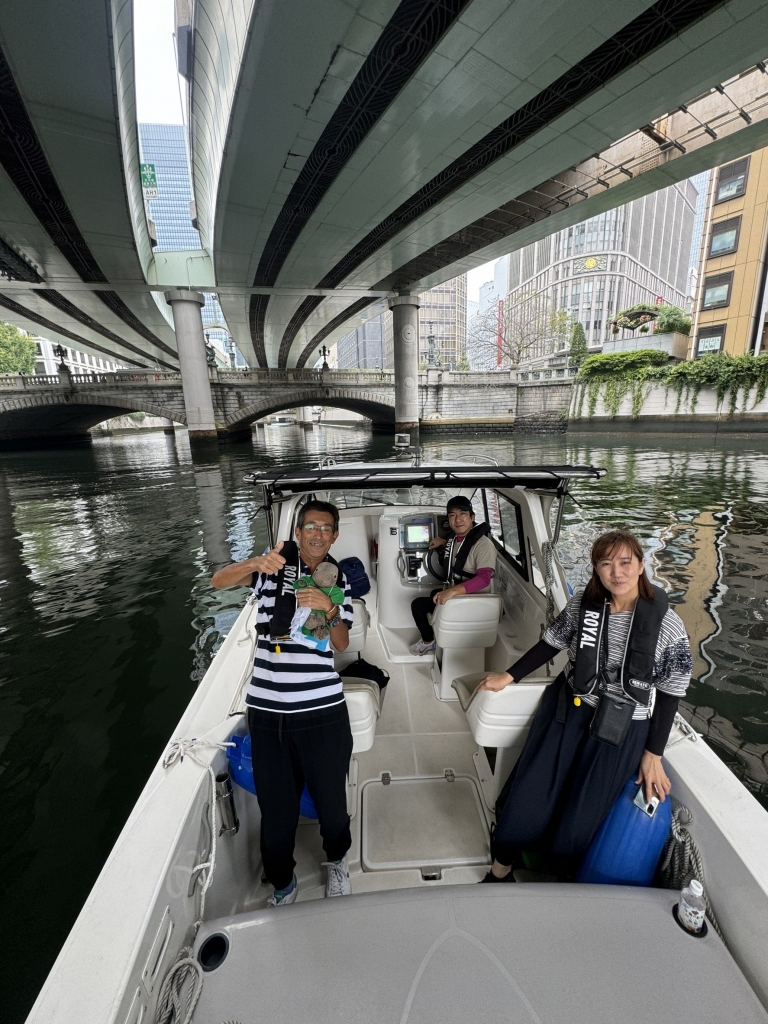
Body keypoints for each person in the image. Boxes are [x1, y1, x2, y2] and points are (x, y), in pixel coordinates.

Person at [476, 529, 692, 882]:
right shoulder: (584, 606)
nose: (616, 573)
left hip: (620, 732)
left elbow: (672, 690)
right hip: (568, 712)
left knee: (580, 819)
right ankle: (499, 870)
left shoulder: (667, 625)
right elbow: (551, 643)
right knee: (527, 799)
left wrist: (653, 754)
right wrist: (509, 676)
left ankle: (557, 883)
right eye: (606, 564)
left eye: (625, 563)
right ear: (596, 569)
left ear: (641, 566)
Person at [211, 500, 354, 906]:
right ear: (298, 531)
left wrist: (328, 608)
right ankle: (283, 884)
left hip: (322, 711)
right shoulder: (271, 572)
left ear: (334, 536)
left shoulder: (338, 582)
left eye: (326, 528)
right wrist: (256, 563)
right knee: (276, 808)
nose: (317, 534)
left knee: (331, 802)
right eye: (310, 526)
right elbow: (218, 581)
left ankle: (337, 860)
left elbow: (342, 643)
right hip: (268, 712)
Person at [409, 495, 497, 656]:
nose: (457, 519)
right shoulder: (456, 539)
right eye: (452, 515)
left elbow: (484, 579)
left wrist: (451, 592)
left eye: (462, 514)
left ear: (472, 517)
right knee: (433, 594)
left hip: (471, 604)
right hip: (462, 599)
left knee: (418, 605)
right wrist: (443, 542)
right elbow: (457, 557)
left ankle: (428, 642)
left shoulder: (483, 545)